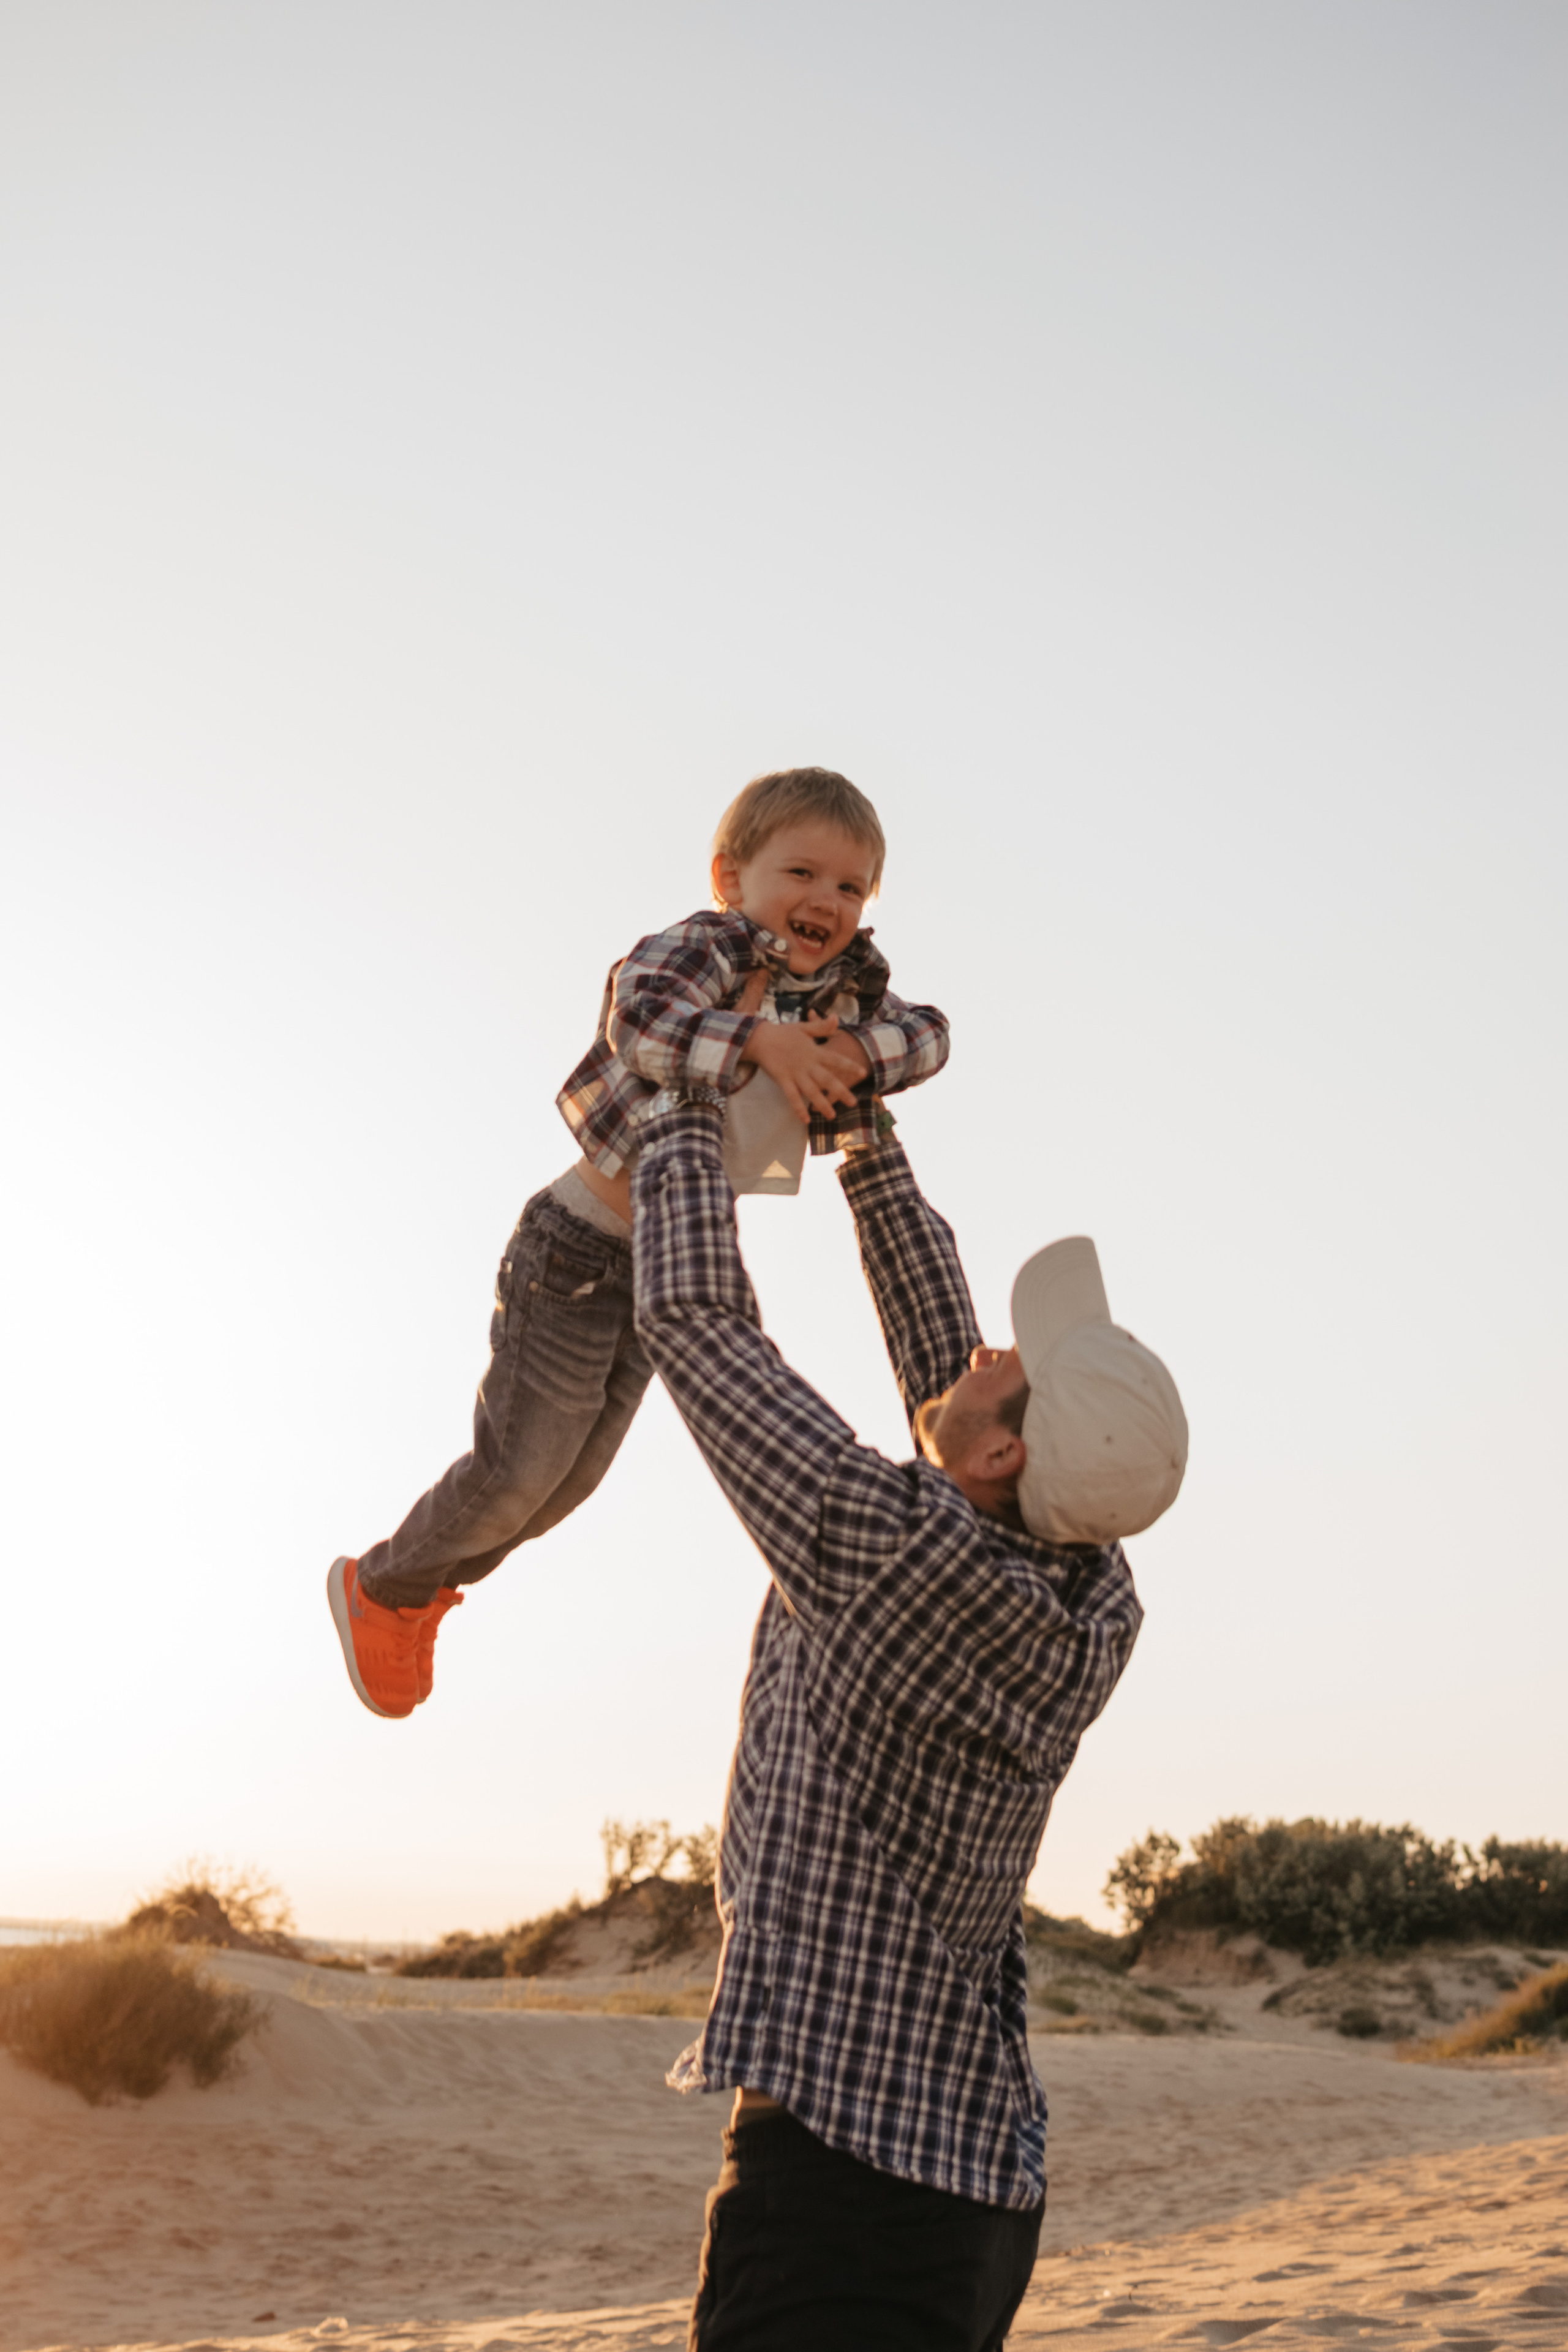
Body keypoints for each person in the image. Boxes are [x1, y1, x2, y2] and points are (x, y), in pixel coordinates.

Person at [628, 1088, 1188, 2351]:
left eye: (1017, 1366)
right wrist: (861, 1136)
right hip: (967, 2190)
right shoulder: (1092, 1594)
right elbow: (951, 1383)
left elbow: (694, 1321)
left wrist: (670, 1095)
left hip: (844, 2192)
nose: (988, 1349)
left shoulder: (891, 1556)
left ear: (1003, 1461)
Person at [327, 767, 949, 1719]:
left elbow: (932, 1035)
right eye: (803, 873)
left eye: (853, 887)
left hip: (659, 1273)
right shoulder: (707, 947)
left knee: (568, 1486)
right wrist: (756, 1042)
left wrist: (860, 1051)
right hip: (579, 1248)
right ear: (731, 877)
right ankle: (387, 1586)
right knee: (518, 1471)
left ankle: (425, 1587)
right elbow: (642, 1021)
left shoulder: (844, 990)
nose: (827, 901)